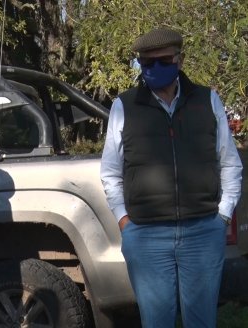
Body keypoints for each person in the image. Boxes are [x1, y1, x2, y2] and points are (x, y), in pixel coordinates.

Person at [100, 28, 243, 328]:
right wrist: (124, 221)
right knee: (156, 323)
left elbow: (230, 163)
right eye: (146, 64)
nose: (153, 70)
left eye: (162, 61)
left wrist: (224, 215)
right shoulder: (124, 106)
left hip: (203, 231)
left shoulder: (208, 101)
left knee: (202, 323)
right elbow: (110, 172)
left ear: (179, 60)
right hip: (146, 235)